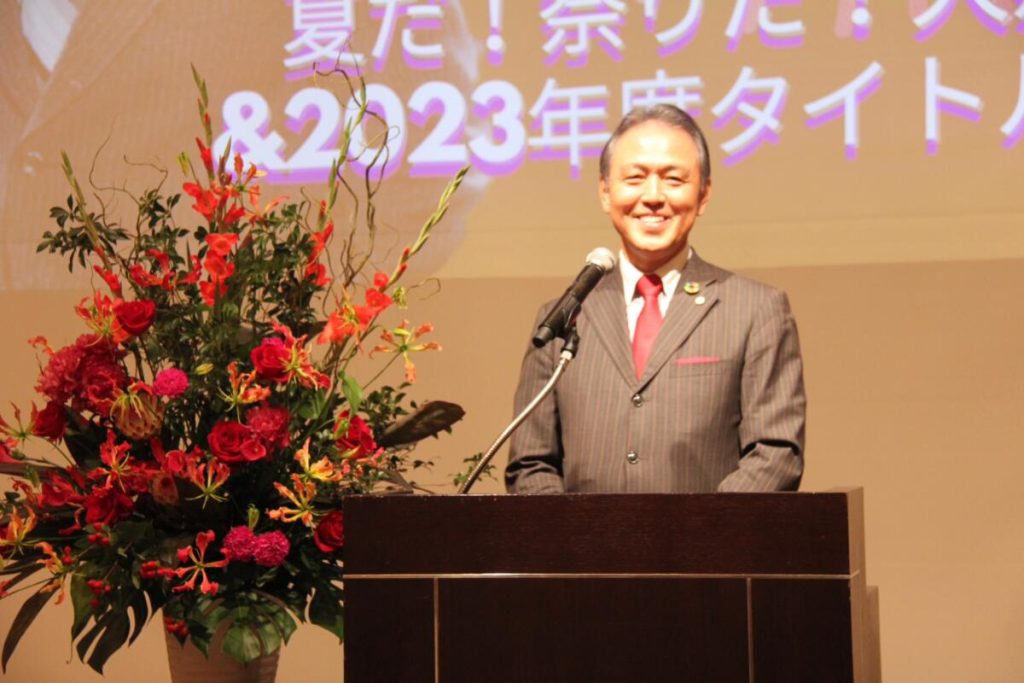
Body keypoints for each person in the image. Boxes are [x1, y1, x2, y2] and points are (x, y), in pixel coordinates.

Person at [505, 104, 805, 494]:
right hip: (583, 537)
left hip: (712, 535)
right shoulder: (563, 317)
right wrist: (579, 532)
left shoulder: (756, 310)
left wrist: (700, 529)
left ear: (704, 194)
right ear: (605, 192)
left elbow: (775, 455)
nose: (652, 196)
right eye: (634, 178)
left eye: (673, 179)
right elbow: (530, 464)